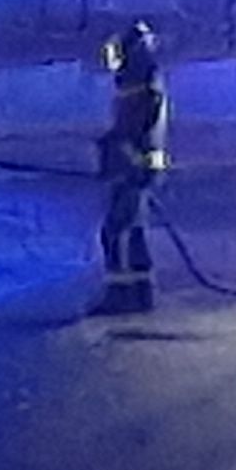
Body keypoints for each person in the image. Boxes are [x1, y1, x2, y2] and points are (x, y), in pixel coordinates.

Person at [93, 22, 167, 314]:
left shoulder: (137, 84)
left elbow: (131, 130)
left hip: (133, 169)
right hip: (138, 168)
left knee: (115, 231)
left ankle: (120, 295)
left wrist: (116, 153)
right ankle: (142, 293)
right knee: (134, 230)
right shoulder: (143, 80)